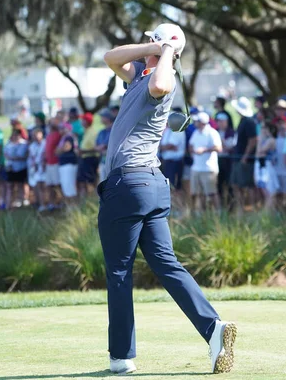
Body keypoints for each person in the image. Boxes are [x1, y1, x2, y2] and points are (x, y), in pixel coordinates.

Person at [101, 24, 236, 375]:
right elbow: (110, 57)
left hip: (128, 184)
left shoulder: (163, 76)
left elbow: (161, 84)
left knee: (119, 271)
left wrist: (166, 53)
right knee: (167, 265)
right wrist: (156, 47)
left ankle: (121, 356)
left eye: (151, 39)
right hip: (148, 186)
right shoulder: (136, 76)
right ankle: (213, 329)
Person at [188, 112, 222, 212]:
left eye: (197, 121)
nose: (195, 122)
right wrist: (192, 151)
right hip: (196, 168)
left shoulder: (212, 133)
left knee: (212, 193)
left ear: (202, 122)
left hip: (209, 168)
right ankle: (202, 214)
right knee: (198, 193)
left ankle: (218, 212)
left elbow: (218, 148)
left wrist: (204, 150)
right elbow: (191, 145)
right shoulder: (196, 132)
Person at [230, 97, 258, 216]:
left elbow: (253, 140)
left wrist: (245, 157)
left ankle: (251, 209)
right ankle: (241, 209)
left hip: (245, 159)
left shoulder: (249, 122)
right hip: (238, 157)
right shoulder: (243, 121)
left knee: (248, 185)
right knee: (236, 184)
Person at [254, 121, 279, 211]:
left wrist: (260, 139)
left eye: (263, 128)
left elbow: (260, 151)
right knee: (265, 191)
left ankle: (267, 213)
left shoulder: (271, 140)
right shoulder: (263, 140)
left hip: (268, 167)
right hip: (262, 167)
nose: (261, 130)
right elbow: (257, 154)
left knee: (271, 192)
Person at [160, 114, 187, 197]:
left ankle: (177, 207)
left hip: (175, 162)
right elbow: (163, 145)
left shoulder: (178, 130)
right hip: (167, 162)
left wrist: (163, 147)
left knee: (174, 186)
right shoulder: (168, 130)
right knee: (168, 186)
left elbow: (170, 145)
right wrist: (164, 147)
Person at [215, 113, 236, 210]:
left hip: (228, 161)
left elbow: (229, 147)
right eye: (219, 121)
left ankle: (231, 206)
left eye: (222, 121)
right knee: (219, 184)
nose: (220, 123)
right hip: (217, 160)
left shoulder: (231, 132)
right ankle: (221, 206)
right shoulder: (215, 132)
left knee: (229, 183)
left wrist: (221, 142)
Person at [4, 129, 29, 209]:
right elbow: (6, 155)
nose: (14, 136)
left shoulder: (24, 144)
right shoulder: (8, 144)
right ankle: (10, 203)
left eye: (16, 135)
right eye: (13, 135)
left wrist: (14, 158)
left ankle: (22, 201)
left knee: (21, 185)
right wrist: (13, 158)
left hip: (21, 168)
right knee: (10, 186)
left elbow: (23, 156)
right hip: (11, 168)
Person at [77, 112, 100, 198]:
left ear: (87, 121)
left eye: (83, 120)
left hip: (90, 159)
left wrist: (84, 151)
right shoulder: (86, 131)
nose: (81, 121)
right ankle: (86, 202)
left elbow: (96, 148)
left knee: (91, 183)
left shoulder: (93, 133)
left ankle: (93, 200)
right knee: (83, 182)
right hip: (84, 159)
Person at [56, 123, 79, 205]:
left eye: (63, 128)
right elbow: (57, 151)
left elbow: (65, 148)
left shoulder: (69, 137)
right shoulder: (64, 138)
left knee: (69, 186)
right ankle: (70, 208)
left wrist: (59, 149)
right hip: (65, 165)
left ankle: (73, 208)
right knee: (66, 186)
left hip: (69, 164)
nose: (61, 130)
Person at [44, 118, 63, 209]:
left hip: (56, 162)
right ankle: (51, 203)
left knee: (57, 184)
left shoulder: (58, 134)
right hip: (49, 163)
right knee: (49, 184)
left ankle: (60, 202)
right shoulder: (48, 136)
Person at [28, 127, 47, 212]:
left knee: (46, 186)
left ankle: (48, 203)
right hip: (36, 168)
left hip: (45, 167)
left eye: (36, 134)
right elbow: (32, 157)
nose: (35, 136)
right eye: (33, 135)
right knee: (38, 186)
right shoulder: (32, 146)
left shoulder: (45, 143)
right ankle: (41, 203)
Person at [96, 111, 115, 182]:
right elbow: (97, 147)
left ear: (107, 118)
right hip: (102, 162)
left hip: (112, 163)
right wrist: (103, 147)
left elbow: (107, 145)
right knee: (103, 184)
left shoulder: (114, 130)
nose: (101, 118)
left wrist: (103, 147)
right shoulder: (101, 132)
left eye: (102, 117)